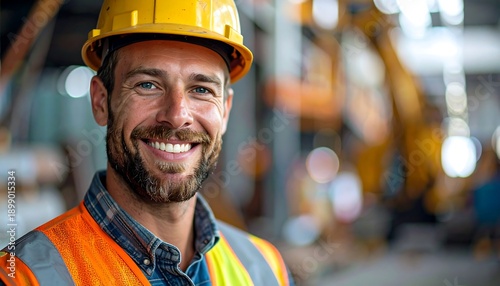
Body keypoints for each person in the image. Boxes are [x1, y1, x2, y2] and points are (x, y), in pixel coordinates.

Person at [0, 0, 293, 285]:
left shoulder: (265, 268)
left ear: (225, 110)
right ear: (101, 101)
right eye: (148, 85)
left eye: (201, 89)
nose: (177, 116)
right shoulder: (23, 276)